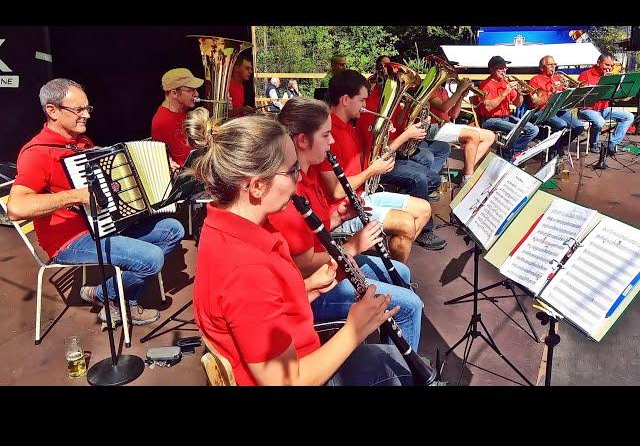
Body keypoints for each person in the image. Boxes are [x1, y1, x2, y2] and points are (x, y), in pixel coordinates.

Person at [186, 109, 414, 386]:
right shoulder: (246, 270)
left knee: (389, 358)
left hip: (296, 353)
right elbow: (285, 382)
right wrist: (355, 329)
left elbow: (251, 317)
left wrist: (305, 290)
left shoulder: (226, 226)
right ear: (257, 186)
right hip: (300, 372)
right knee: (397, 368)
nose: (298, 181)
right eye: (292, 171)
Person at [7, 78, 184, 326]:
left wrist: (162, 171)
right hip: (70, 240)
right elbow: (16, 208)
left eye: (87, 108)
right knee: (152, 258)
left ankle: (103, 295)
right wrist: (76, 195)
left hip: (105, 224)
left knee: (172, 230)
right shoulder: (37, 153)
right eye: (78, 110)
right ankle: (121, 301)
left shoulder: (81, 143)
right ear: (52, 111)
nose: (86, 116)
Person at [269, 97, 423, 352]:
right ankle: (404, 371)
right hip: (312, 289)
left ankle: (393, 352)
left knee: (402, 273)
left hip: (330, 266)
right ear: (302, 140)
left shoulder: (307, 174)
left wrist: (337, 217)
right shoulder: (288, 190)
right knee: (410, 306)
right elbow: (302, 264)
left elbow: (314, 231)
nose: (332, 142)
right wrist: (352, 247)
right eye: (326, 135)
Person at [315, 69, 431, 263]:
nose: (365, 105)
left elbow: (372, 161)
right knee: (405, 224)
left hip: (361, 198)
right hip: (342, 210)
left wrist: (396, 138)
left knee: (424, 208)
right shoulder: (328, 133)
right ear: (345, 100)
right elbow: (336, 191)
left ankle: (392, 263)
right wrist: (371, 171)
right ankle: (397, 276)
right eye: (362, 100)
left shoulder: (350, 127)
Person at [359, 57, 449, 250]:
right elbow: (380, 150)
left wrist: (409, 116)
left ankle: (406, 210)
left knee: (433, 178)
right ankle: (423, 231)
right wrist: (407, 134)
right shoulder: (371, 107)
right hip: (375, 163)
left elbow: (397, 130)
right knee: (419, 178)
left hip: (389, 158)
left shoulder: (390, 103)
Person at [428, 78, 496, 182]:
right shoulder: (431, 90)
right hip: (434, 128)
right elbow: (443, 108)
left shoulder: (443, 90)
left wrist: (460, 96)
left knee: (490, 136)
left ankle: (465, 171)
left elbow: (453, 114)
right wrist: (459, 90)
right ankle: (468, 178)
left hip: (447, 125)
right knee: (472, 136)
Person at [475, 56, 539, 161]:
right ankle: (509, 154)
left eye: (505, 68)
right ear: (491, 69)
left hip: (506, 117)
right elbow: (488, 107)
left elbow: (518, 104)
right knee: (518, 131)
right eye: (500, 68)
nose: (504, 71)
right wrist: (505, 92)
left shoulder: (505, 82)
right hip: (490, 120)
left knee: (534, 129)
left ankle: (510, 151)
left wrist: (519, 93)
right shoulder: (485, 85)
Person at [578, 52, 635, 155]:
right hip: (587, 109)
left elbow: (615, 98)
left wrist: (623, 94)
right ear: (598, 62)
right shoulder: (585, 75)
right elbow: (579, 97)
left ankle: (611, 144)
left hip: (604, 109)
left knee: (629, 116)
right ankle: (594, 144)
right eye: (607, 65)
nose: (609, 68)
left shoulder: (610, 77)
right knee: (599, 121)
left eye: (611, 65)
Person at [527, 55, 584, 157]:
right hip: (542, 111)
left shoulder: (558, 78)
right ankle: (553, 152)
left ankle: (559, 145)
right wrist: (550, 92)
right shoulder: (535, 80)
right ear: (541, 67)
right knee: (561, 125)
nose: (553, 67)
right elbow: (535, 103)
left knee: (579, 127)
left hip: (558, 110)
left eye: (554, 64)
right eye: (550, 65)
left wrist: (574, 90)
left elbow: (564, 98)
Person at [151, 68, 203, 168]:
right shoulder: (163, 121)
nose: (197, 94)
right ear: (174, 93)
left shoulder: (182, 110)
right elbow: (188, 160)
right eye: (190, 90)